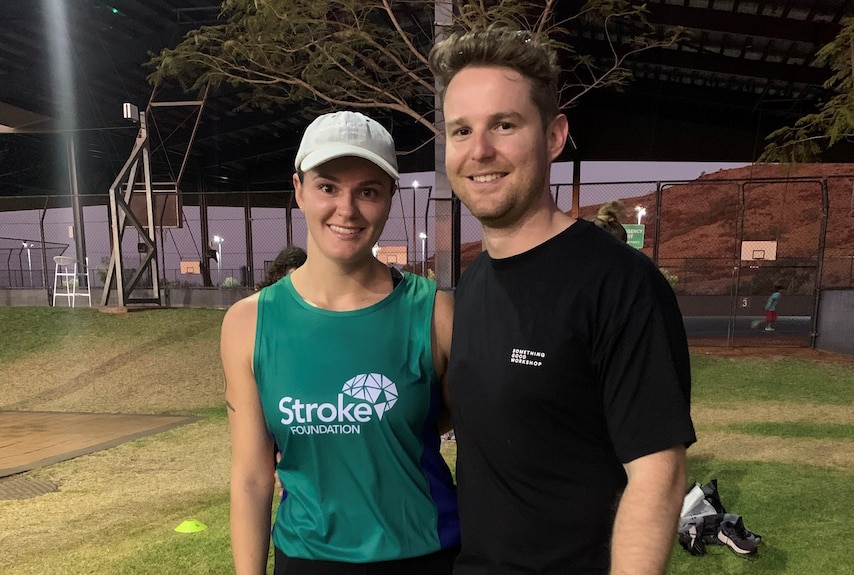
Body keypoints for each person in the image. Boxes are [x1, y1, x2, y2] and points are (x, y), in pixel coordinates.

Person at [429, 26, 697, 575]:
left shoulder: (619, 283)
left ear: (553, 136)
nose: (479, 151)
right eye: (461, 131)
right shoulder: (475, 283)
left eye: (504, 125)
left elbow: (657, 477)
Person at [220, 110, 459, 575]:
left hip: (424, 556)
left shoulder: (435, 313)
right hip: (308, 559)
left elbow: (472, 437)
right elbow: (251, 477)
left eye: (367, 191)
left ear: (390, 197)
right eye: (327, 187)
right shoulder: (249, 323)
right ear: (299, 190)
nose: (346, 210)